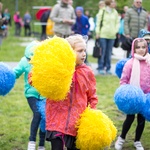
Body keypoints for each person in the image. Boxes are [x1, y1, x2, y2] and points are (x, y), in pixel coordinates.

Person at [45, 34, 98, 150]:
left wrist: (92, 115)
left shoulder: (87, 72)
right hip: (57, 118)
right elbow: (36, 79)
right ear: (68, 52)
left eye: (85, 50)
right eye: (80, 51)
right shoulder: (57, 69)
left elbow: (92, 95)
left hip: (77, 121)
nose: (84, 54)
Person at [115, 38, 150, 150]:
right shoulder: (130, 63)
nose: (141, 50)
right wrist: (125, 93)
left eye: (143, 47)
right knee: (129, 118)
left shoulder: (149, 62)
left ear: (147, 48)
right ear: (133, 48)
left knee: (141, 120)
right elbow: (123, 80)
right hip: (133, 98)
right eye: (138, 47)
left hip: (145, 97)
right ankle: (121, 138)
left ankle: (137, 141)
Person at [13, 41, 46, 150]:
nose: (31, 62)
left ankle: (41, 145)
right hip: (31, 93)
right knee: (37, 113)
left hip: (44, 95)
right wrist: (8, 76)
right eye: (29, 60)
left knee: (44, 117)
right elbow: (15, 73)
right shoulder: (24, 61)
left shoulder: (46, 61)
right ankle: (32, 141)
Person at [95, 0, 119, 75]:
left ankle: (108, 68)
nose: (114, 3)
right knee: (102, 52)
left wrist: (115, 31)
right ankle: (101, 67)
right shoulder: (102, 11)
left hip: (112, 36)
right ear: (108, 3)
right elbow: (98, 23)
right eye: (112, 2)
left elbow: (117, 23)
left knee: (109, 53)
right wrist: (97, 32)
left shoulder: (115, 12)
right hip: (103, 35)